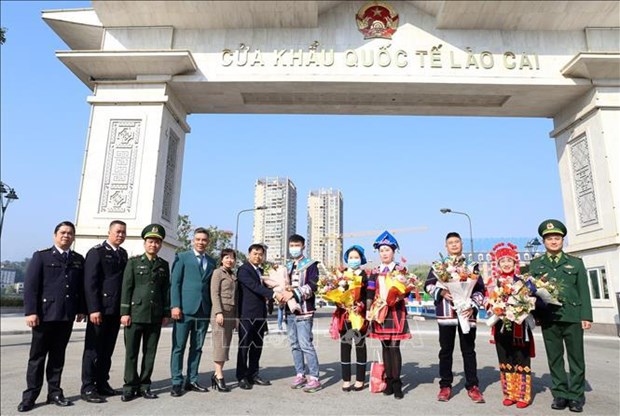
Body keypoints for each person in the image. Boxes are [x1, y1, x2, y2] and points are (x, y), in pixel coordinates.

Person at [18, 221, 85, 413]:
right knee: (37, 358)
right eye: (63, 232)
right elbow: (31, 287)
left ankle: (55, 392)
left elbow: (79, 288)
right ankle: (30, 395)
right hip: (44, 316)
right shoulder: (42, 256)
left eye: (70, 233)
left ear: (73, 237)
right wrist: (31, 311)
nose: (66, 236)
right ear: (55, 235)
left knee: (58, 357)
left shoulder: (78, 259)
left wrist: (81, 309)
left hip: (65, 316)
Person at [530, 219, 592, 413]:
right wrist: (537, 315)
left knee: (576, 358)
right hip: (550, 318)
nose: (554, 241)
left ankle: (575, 396)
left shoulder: (575, 263)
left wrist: (586, 316)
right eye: (549, 238)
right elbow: (532, 293)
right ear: (544, 241)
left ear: (563, 240)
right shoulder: (536, 264)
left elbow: (583, 290)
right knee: (555, 358)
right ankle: (560, 394)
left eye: (557, 238)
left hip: (572, 316)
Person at [424, 232, 486, 403]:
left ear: (461, 244)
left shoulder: (472, 266)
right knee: (445, 351)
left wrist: (473, 305)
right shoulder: (438, 266)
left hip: (466, 313)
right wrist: (442, 292)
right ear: (446, 246)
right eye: (450, 242)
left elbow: (481, 289)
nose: (453, 245)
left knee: (468, 351)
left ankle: (473, 386)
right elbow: (427, 285)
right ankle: (445, 385)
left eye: (456, 242)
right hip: (446, 314)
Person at [120, 224, 170, 402]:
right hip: (135, 313)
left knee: (150, 353)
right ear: (145, 243)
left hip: (155, 315)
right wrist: (124, 312)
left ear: (160, 245)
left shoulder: (163, 265)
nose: (153, 245)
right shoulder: (133, 263)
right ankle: (129, 386)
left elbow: (165, 291)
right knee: (131, 353)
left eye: (157, 242)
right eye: (150, 241)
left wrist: (165, 312)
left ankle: (145, 385)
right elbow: (127, 288)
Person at [80, 220, 128, 403]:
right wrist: (93, 309)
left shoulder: (122, 254)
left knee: (107, 350)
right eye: (117, 231)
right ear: (109, 232)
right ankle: (88, 387)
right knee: (93, 350)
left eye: (123, 232)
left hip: (114, 310)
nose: (120, 235)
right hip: (99, 310)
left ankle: (102, 383)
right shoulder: (97, 252)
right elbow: (90, 283)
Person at [486, 242, 536, 409]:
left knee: (521, 357)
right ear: (498, 264)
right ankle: (509, 393)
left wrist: (526, 305)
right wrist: (493, 306)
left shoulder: (525, 281)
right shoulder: (494, 283)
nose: (506, 264)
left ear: (516, 263)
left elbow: (535, 300)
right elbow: (488, 302)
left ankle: (523, 394)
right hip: (501, 325)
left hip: (520, 327)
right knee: (505, 358)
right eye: (503, 261)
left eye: (509, 261)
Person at [169, 227, 216, 397]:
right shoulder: (182, 258)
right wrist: (175, 305)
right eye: (198, 239)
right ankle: (176, 381)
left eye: (204, 240)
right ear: (193, 240)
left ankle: (192, 379)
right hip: (184, 310)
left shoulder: (211, 262)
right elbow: (175, 283)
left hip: (203, 311)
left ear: (208, 242)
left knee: (197, 347)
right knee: (178, 347)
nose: (201, 242)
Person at [236, 244, 290, 389]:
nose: (258, 256)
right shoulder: (243, 270)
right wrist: (273, 294)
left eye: (261, 254)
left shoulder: (260, 271)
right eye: (255, 253)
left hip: (260, 314)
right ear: (249, 254)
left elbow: (262, 288)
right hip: (246, 314)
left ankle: (253, 374)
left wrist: (276, 289)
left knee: (257, 346)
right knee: (244, 346)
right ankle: (241, 376)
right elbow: (254, 287)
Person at [367, 231, 411, 400]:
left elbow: (407, 290)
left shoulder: (400, 269)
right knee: (385, 346)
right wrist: (369, 310)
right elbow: (370, 292)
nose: (384, 253)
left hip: (396, 311)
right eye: (381, 250)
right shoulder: (375, 271)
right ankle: (389, 380)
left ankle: (397, 383)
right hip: (380, 312)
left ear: (393, 251)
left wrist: (400, 296)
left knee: (394, 346)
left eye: (387, 250)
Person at [286, 234, 322, 393]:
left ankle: (314, 377)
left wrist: (295, 294)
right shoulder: (287, 265)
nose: (294, 248)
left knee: (305, 344)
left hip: (305, 310)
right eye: (291, 245)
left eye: (296, 245)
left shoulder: (311, 265)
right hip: (289, 310)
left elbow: (313, 285)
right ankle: (300, 373)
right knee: (294, 344)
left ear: (303, 246)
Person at [335, 245, 369, 392]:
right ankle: (346, 379)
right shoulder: (342, 275)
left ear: (361, 258)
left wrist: (360, 306)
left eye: (356, 257)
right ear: (346, 259)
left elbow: (369, 295)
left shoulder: (365, 275)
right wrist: (339, 302)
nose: (353, 260)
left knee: (360, 346)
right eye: (351, 257)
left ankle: (360, 379)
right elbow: (334, 292)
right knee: (345, 346)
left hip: (359, 316)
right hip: (344, 314)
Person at [210, 248, 238, 392]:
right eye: (226, 257)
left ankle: (217, 373)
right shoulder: (217, 273)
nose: (229, 260)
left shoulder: (233, 275)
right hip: (220, 313)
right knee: (220, 345)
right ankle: (219, 375)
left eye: (232, 257)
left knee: (226, 344)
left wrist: (236, 317)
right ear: (221, 259)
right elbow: (214, 294)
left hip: (231, 313)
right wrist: (218, 312)